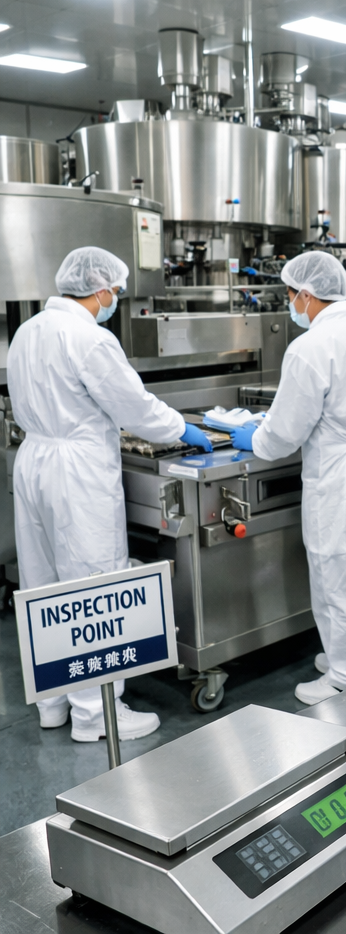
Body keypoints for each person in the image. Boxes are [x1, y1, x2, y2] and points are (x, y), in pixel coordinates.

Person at [8, 246, 212, 742]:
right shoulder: (89, 338)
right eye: (115, 292)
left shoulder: (27, 331)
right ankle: (98, 715)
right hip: (76, 470)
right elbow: (133, 407)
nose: (115, 301)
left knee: (44, 584)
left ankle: (54, 703)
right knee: (92, 584)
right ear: (99, 290)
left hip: (33, 461)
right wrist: (180, 427)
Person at [230, 251, 346, 705]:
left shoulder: (310, 347)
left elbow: (284, 433)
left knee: (342, 571)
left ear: (307, 296)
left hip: (343, 470)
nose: (290, 304)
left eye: (290, 295)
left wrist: (252, 438)